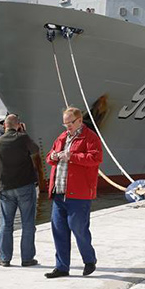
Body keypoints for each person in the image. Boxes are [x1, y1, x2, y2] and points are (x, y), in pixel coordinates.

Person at [45, 107, 103, 279]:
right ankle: (62, 267)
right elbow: (49, 157)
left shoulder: (90, 137)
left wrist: (72, 156)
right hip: (59, 192)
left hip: (78, 194)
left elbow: (96, 158)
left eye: (70, 123)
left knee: (79, 228)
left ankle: (89, 260)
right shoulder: (62, 137)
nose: (67, 126)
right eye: (65, 123)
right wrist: (53, 156)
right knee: (59, 231)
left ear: (79, 120)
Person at [0, 114, 42, 267]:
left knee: (6, 224)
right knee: (28, 223)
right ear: (18, 125)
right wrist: (24, 133)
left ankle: (4, 258)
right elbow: (35, 149)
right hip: (24, 185)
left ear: (4, 126)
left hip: (5, 187)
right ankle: (27, 258)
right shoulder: (22, 138)